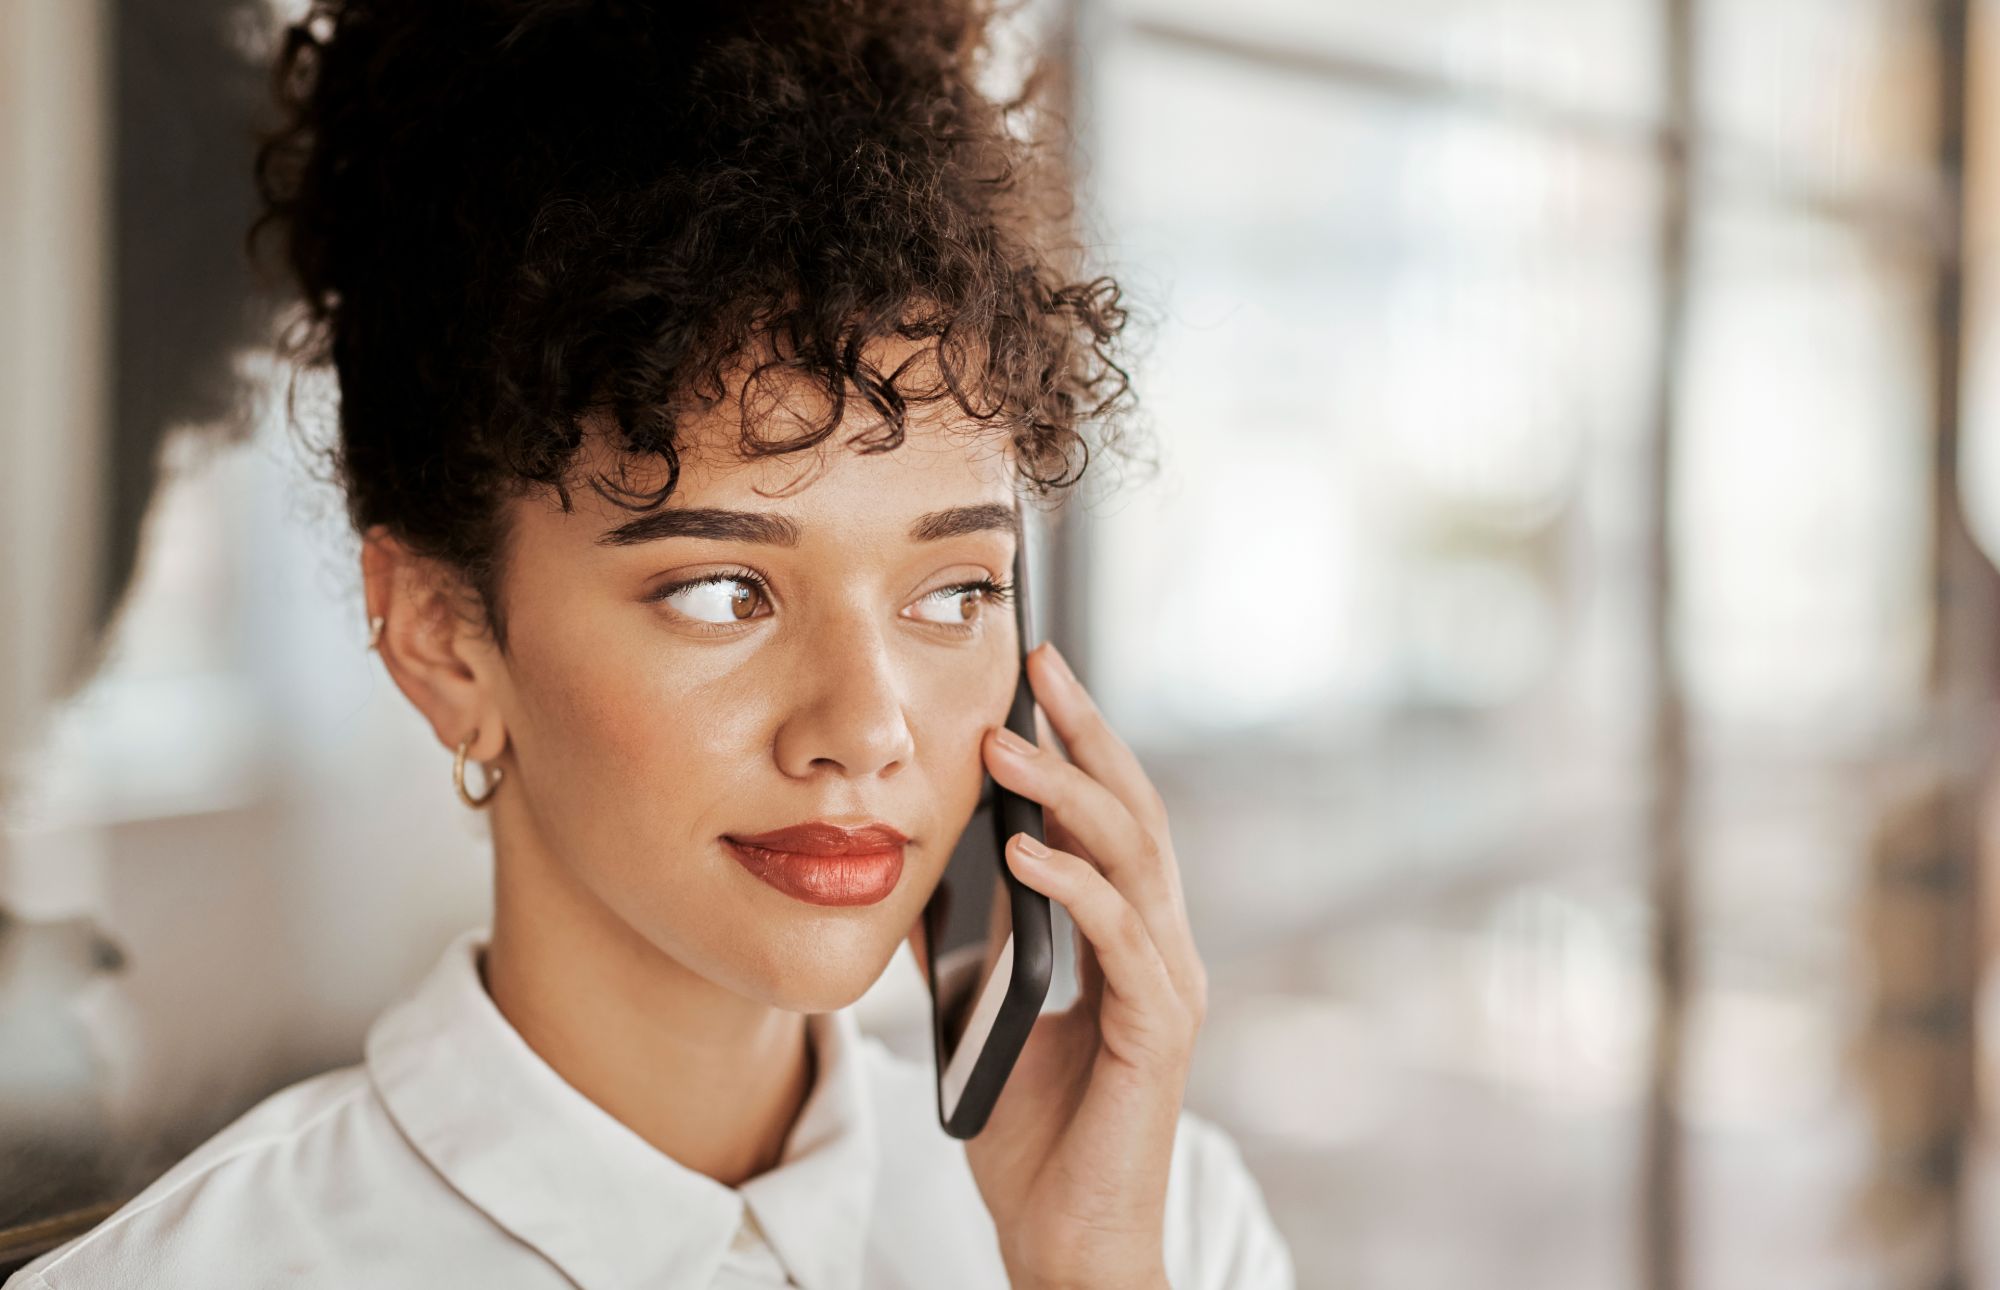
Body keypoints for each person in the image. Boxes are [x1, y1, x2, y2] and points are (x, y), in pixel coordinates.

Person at [4, 1, 1295, 1286]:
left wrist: (1085, 1263)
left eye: (954, 591)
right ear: (446, 640)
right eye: (725, 590)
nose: (865, 727)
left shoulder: (1155, 1215)